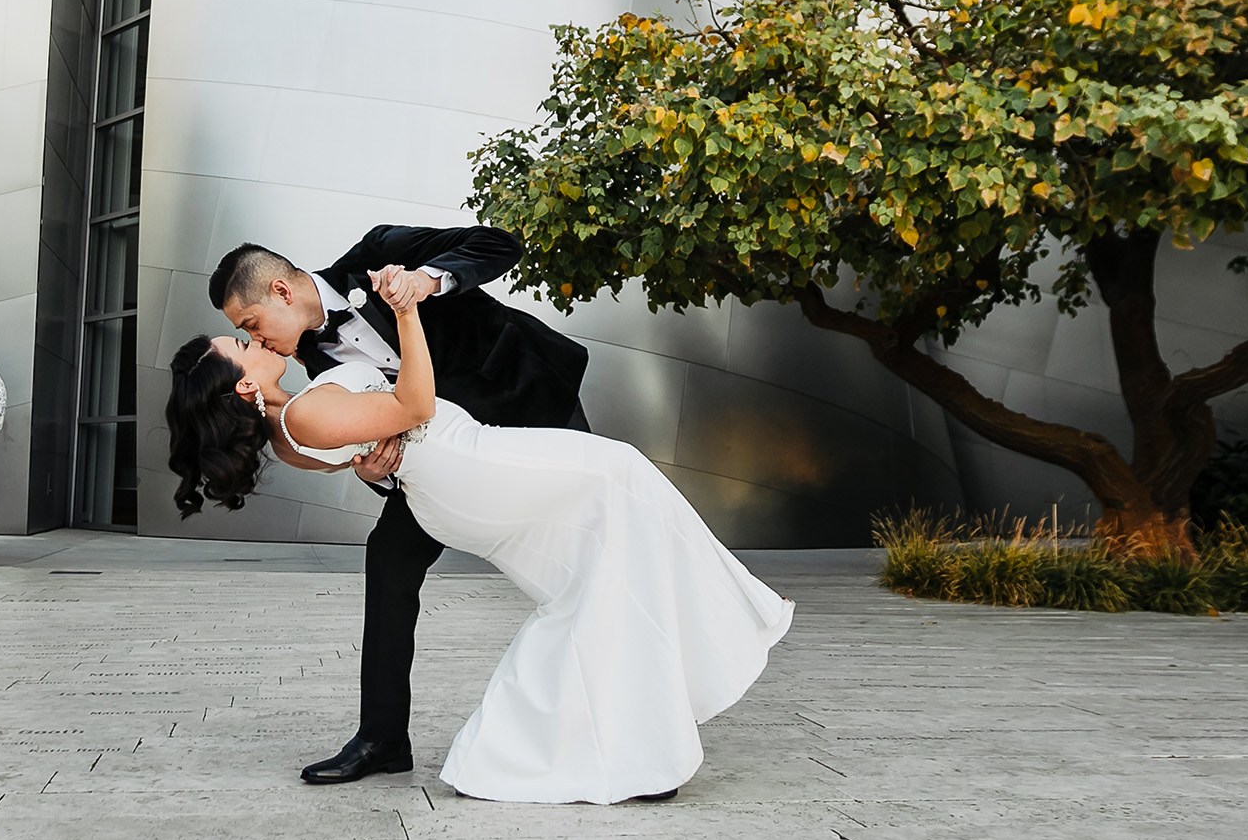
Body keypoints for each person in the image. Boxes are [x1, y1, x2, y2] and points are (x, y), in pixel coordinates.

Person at [171, 264, 794, 804]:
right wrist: (407, 312)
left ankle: (640, 735)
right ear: (247, 384)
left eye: (245, 325)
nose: (250, 336)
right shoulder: (303, 413)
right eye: (240, 341)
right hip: (466, 465)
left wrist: (365, 460)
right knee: (623, 476)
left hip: (462, 460)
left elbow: (357, 447)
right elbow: (413, 407)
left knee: (601, 564)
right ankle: (704, 646)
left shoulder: (298, 411)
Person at [206, 226, 589, 785]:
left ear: (282, 293)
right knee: (388, 559)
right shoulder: (309, 359)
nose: (257, 341)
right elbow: (368, 425)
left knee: (589, 556)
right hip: (445, 456)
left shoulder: (381, 253)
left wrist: (427, 281)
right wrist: (372, 474)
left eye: (251, 325)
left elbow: (501, 244)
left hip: (531, 403)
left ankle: (622, 729)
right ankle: (382, 739)